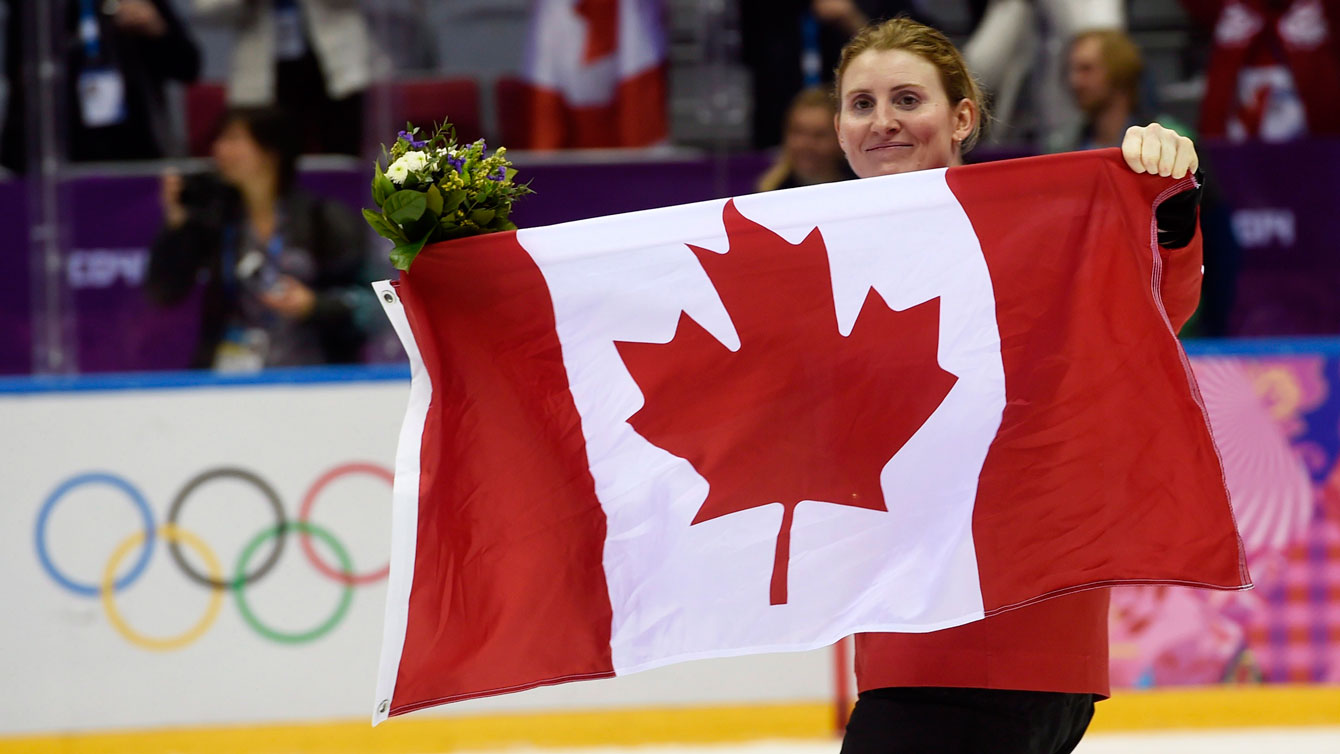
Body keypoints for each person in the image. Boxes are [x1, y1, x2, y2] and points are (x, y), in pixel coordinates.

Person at [829, 17, 1202, 753]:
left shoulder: (1032, 228)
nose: (883, 123)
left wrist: (1167, 202)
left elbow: (1149, 313)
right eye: (861, 104)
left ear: (962, 116)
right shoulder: (818, 251)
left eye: (908, 99)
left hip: (987, 649)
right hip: (928, 648)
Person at [146, 106, 376, 370]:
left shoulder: (322, 219)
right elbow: (163, 292)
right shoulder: (218, 221)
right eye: (219, 140)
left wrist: (314, 305)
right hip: (231, 378)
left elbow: (374, 304)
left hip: (314, 376)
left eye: (232, 139)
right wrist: (177, 226)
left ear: (270, 151)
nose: (219, 150)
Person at [193, 0, 372, 155]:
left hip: (337, 67)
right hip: (262, 74)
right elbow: (207, 9)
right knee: (270, 159)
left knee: (343, 157)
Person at [757, 86, 856, 191]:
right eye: (797, 132)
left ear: (840, 138)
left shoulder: (858, 187)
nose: (805, 144)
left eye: (818, 135)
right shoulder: (770, 190)